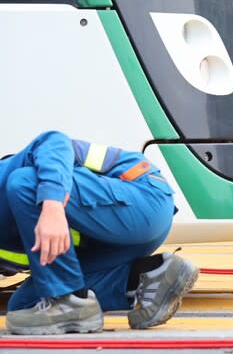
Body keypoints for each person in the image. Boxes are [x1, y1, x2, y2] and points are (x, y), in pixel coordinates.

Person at [0, 131, 199, 334]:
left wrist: (52, 204)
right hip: (114, 240)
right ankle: (147, 274)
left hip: (142, 196)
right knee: (24, 307)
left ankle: (68, 299)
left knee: (24, 183)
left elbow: (55, 140)